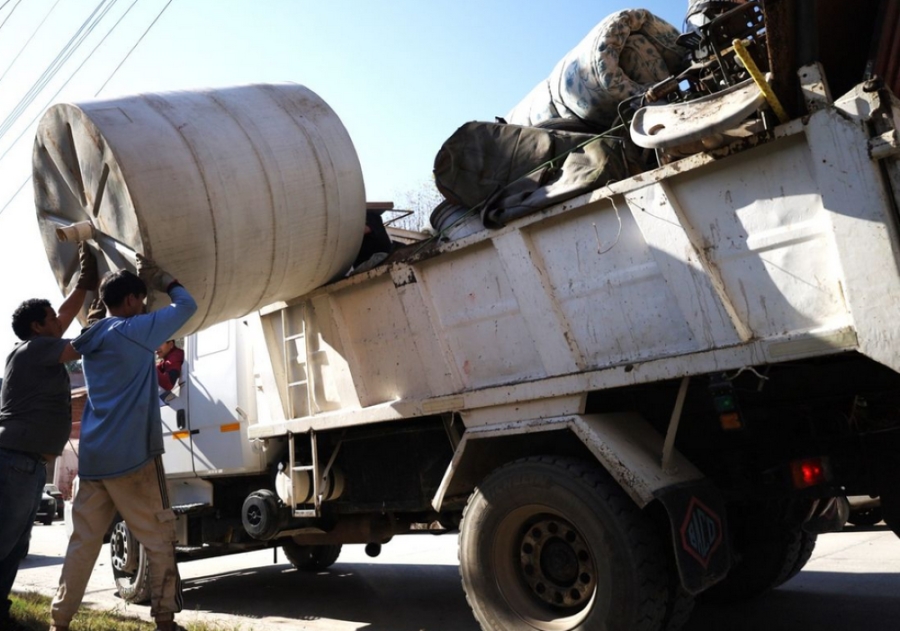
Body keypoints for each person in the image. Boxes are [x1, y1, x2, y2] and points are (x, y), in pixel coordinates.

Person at [50, 255, 197, 631]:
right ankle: (164, 620)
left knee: (82, 543)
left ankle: (59, 621)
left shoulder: (92, 335)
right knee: (159, 538)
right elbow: (187, 306)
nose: (144, 306)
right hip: (135, 457)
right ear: (131, 300)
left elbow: (93, 322)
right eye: (141, 300)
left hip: (95, 459)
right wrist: (163, 280)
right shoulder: (137, 329)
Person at [0, 243, 97, 630]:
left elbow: (65, 316)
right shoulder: (36, 350)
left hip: (25, 464)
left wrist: (84, 282)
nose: (59, 320)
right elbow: (81, 343)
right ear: (38, 327)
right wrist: (99, 318)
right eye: (51, 318)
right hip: (16, 462)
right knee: (4, 542)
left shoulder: (35, 348)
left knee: (13, 546)